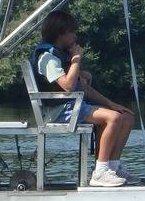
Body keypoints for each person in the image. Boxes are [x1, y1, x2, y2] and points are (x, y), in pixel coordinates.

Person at [31, 10, 136, 187]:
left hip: (73, 107)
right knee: (113, 118)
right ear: (60, 33)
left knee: (126, 117)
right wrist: (76, 60)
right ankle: (100, 172)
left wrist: (112, 104)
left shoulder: (61, 55)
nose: (75, 36)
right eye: (72, 32)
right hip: (57, 111)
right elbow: (68, 86)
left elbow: (84, 88)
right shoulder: (47, 58)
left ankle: (112, 166)